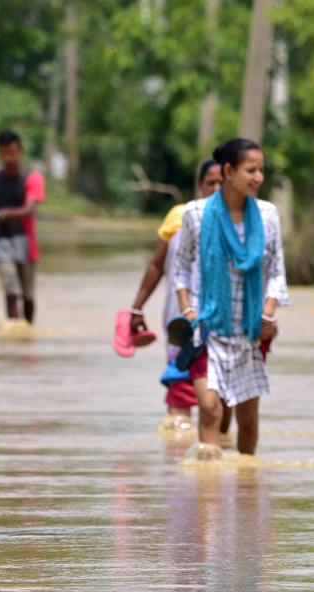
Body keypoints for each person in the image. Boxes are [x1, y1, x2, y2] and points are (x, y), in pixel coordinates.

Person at [173, 138, 289, 455]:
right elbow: (181, 267)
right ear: (228, 171)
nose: (258, 178)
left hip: (251, 332)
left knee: (248, 419)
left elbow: (277, 272)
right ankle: (208, 495)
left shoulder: (267, 215)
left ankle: (245, 493)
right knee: (210, 409)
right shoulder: (195, 214)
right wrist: (187, 310)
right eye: (251, 170)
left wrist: (268, 314)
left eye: (261, 170)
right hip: (207, 329)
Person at [126, 159, 223, 425]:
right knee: (179, 397)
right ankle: (175, 462)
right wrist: (137, 308)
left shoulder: (239, 222)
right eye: (210, 182)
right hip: (180, 323)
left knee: (219, 403)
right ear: (200, 185)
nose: (216, 188)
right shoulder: (179, 216)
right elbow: (157, 265)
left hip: (222, 326)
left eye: (221, 183)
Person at [0, 130, 46, 324]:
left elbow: (29, 209)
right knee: (10, 290)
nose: (8, 156)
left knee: (27, 294)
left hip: (26, 242)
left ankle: (27, 331)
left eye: (12, 151)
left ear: (20, 152)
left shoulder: (32, 179)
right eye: (4, 151)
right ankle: (14, 331)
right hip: (1, 240)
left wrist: (8, 213)